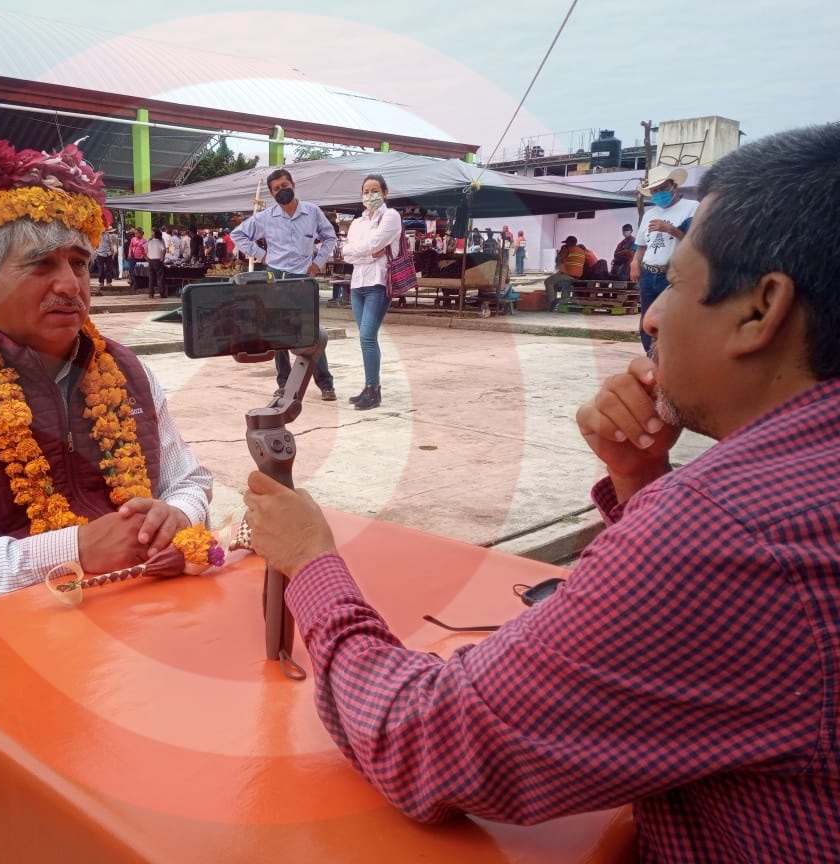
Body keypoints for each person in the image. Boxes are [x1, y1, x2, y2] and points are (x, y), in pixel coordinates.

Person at [242, 123, 840, 862]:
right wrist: (640, 484)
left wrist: (311, 564)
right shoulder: (783, 497)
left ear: (761, 309)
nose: (651, 316)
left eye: (678, 283)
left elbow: (427, 742)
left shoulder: (723, 531)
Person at [0, 139, 213, 621]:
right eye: (41, 263)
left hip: (150, 626)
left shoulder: (129, 371)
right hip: (6, 644)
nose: (70, 285)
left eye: (79, 263)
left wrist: (177, 515)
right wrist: (73, 551)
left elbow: (189, 481)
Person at [230, 168, 338, 401]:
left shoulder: (312, 212)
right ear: (271, 193)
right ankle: (284, 383)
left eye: (285, 186)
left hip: (302, 279)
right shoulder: (266, 217)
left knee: (311, 330)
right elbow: (238, 235)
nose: (282, 190)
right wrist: (262, 255)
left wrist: (318, 263)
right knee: (277, 331)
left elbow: (330, 237)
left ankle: (325, 383)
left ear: (293, 185)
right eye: (276, 188)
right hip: (275, 277)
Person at [340, 174, 401, 411]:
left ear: (385, 192)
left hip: (379, 283)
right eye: (366, 191)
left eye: (375, 191)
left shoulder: (391, 216)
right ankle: (369, 387)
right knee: (366, 338)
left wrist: (360, 251)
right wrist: (367, 255)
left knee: (367, 336)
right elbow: (346, 252)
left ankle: (373, 390)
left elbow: (375, 243)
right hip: (358, 284)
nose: (370, 195)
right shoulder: (357, 223)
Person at [632, 165, 699, 352]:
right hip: (648, 274)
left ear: (674, 186)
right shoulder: (650, 214)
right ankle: (652, 357)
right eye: (654, 191)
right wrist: (635, 262)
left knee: (673, 319)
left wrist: (671, 229)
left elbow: (696, 242)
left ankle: (674, 357)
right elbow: (642, 245)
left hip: (673, 276)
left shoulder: (692, 208)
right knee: (647, 320)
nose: (658, 193)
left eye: (663, 188)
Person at [542, 235, 591, 308]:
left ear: (569, 243)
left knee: (548, 281)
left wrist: (561, 251)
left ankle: (552, 301)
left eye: (566, 243)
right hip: (577, 276)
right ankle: (563, 301)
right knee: (560, 284)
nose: (566, 244)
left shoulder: (567, 249)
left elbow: (558, 259)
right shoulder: (581, 251)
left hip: (567, 274)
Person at [145, 228, 167, 298]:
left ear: (154, 233)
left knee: (151, 278)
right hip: (158, 260)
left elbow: (143, 248)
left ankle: (151, 294)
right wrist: (162, 258)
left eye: (152, 232)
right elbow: (164, 250)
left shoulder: (149, 241)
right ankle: (162, 293)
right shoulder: (160, 241)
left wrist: (146, 257)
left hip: (151, 260)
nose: (151, 233)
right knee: (160, 277)